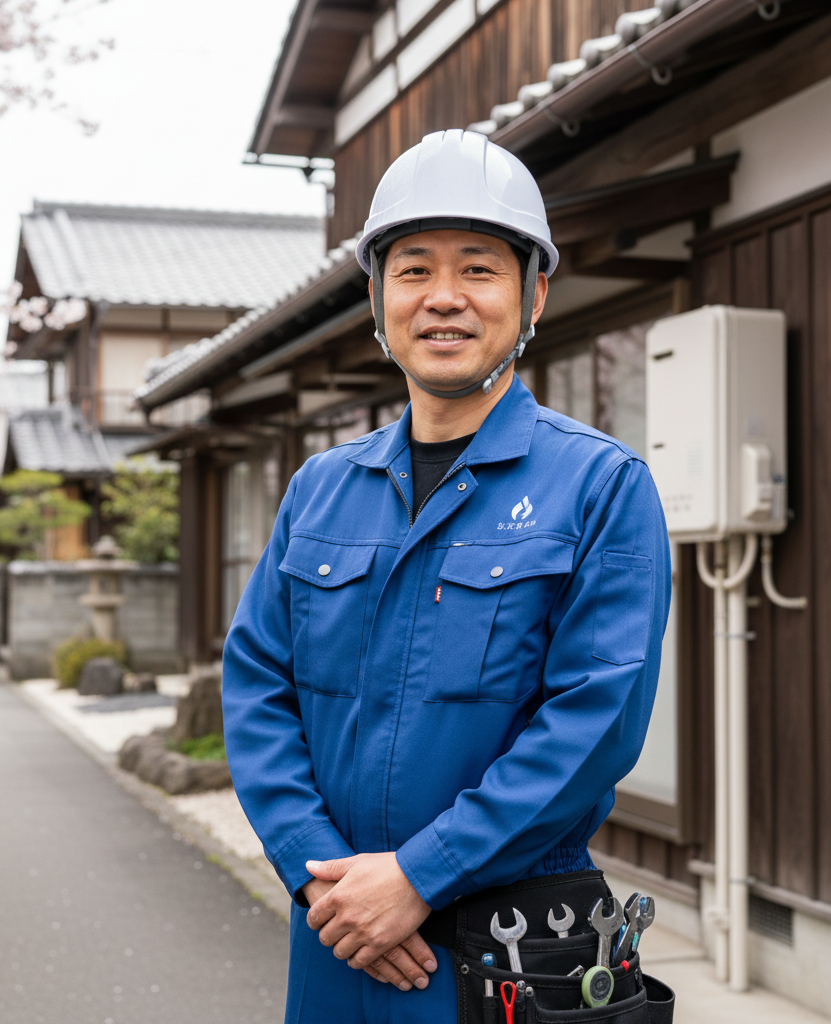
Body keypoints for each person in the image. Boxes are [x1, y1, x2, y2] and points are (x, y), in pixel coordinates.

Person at [222, 129, 670, 1024]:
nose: (444, 299)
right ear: (379, 299)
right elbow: (256, 686)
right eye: (415, 269)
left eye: (479, 268)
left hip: (509, 945)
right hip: (338, 931)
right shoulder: (320, 489)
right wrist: (325, 881)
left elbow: (594, 721)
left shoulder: (600, 486)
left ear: (534, 293)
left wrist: (420, 876)